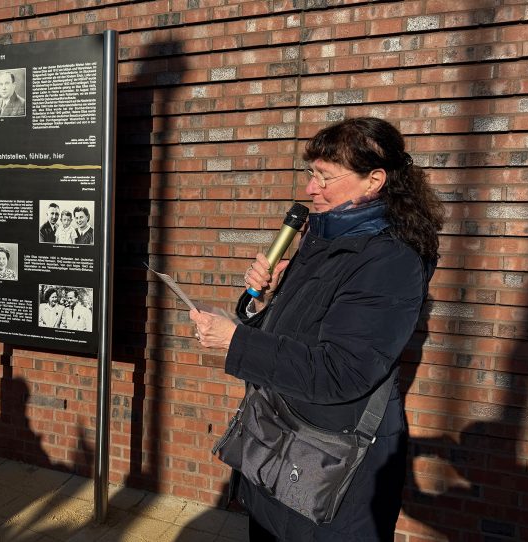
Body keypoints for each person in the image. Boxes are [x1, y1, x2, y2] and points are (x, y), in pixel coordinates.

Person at [190, 117, 444, 542]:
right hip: (279, 446)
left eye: (325, 177)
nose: (311, 188)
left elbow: (340, 371)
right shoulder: (322, 238)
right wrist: (264, 303)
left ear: (374, 180)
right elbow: (295, 337)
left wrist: (236, 341)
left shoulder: (391, 260)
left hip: (332, 468)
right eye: (311, 173)